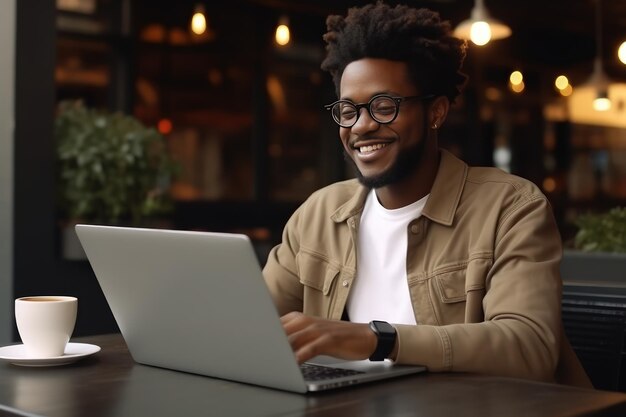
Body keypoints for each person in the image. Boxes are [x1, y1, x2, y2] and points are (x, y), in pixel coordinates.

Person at [262, 1, 591, 387]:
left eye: (384, 106)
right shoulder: (319, 213)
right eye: (348, 111)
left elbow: (528, 347)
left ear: (436, 112)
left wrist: (377, 339)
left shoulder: (511, 207)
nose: (362, 126)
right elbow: (255, 326)